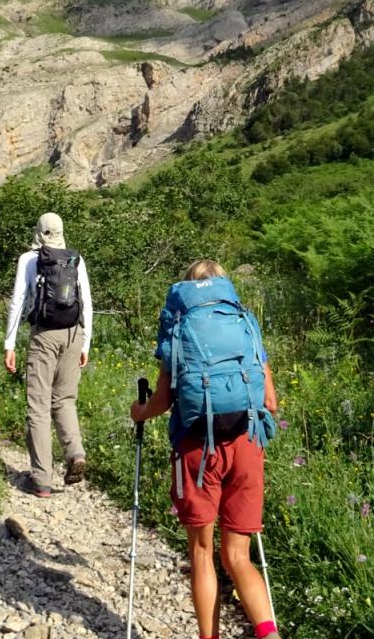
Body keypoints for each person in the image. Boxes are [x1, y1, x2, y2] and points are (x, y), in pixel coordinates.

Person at [131, 259, 281, 639]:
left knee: (202, 552)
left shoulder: (181, 326)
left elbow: (162, 401)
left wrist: (140, 412)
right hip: (247, 444)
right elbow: (271, 402)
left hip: (198, 449)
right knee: (238, 557)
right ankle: (269, 634)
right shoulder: (244, 322)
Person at [2, 212, 93, 497]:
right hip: (73, 333)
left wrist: (10, 343)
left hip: (43, 334)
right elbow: (87, 302)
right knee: (65, 400)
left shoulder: (28, 260)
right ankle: (75, 453)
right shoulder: (75, 259)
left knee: (38, 405)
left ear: (38, 231)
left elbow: (18, 300)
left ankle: (41, 478)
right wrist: (86, 343)